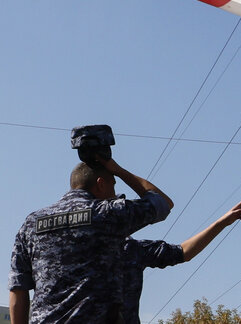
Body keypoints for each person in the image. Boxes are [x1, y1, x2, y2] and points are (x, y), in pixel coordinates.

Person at [8, 125, 174, 324]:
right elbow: (163, 202)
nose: (114, 193)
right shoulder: (107, 213)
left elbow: (18, 288)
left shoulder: (31, 223)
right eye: (113, 185)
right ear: (101, 184)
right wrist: (118, 170)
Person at [121, 198, 241, 323]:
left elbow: (183, 251)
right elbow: (163, 202)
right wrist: (120, 173)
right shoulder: (129, 249)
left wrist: (221, 223)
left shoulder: (131, 249)